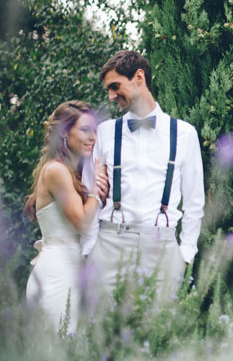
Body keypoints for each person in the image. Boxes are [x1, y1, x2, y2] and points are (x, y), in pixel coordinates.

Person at [82, 50, 205, 303]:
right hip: (109, 246)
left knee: (159, 335)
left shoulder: (184, 134)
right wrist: (90, 250)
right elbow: (89, 193)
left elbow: (194, 203)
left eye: (115, 87)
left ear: (139, 78)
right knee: (103, 333)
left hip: (162, 249)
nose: (110, 96)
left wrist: (185, 256)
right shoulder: (104, 133)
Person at [25, 100, 109, 331]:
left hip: (70, 270)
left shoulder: (71, 172)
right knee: (60, 346)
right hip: (56, 274)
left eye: (95, 130)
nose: (93, 137)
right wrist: (97, 193)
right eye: (85, 130)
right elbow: (81, 222)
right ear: (64, 134)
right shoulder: (56, 171)